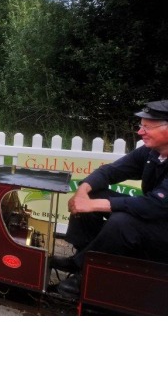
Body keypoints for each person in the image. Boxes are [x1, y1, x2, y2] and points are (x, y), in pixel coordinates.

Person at [54, 100, 168, 297]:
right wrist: (83, 192)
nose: (140, 132)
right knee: (92, 195)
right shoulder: (150, 152)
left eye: (147, 127)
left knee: (123, 222)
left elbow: (156, 205)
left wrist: (94, 205)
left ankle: (87, 274)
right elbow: (110, 171)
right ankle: (82, 260)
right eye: (141, 126)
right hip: (157, 219)